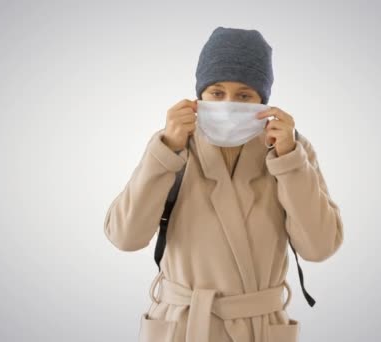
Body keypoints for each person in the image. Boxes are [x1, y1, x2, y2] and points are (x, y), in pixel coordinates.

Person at [104, 26, 344, 342]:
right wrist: (166, 150)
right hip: (183, 326)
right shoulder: (173, 145)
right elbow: (125, 237)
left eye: (244, 95)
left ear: (264, 102)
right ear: (198, 96)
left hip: (258, 328)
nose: (228, 104)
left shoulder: (290, 149)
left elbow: (319, 248)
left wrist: (289, 160)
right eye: (216, 93)